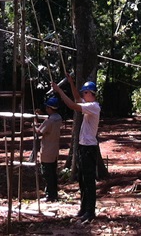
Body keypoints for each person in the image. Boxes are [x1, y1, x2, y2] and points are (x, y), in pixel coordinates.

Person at [52, 75, 100, 223]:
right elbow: (77, 99)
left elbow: (73, 105)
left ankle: (90, 212)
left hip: (89, 149)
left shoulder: (94, 107)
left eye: (85, 92)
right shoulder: (87, 105)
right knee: (82, 180)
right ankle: (84, 209)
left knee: (89, 181)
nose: (83, 95)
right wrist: (72, 83)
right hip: (83, 148)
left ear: (91, 93)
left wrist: (60, 91)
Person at [34, 96, 63, 202]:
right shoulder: (58, 118)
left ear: (50, 108)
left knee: (46, 173)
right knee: (53, 173)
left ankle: (49, 195)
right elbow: (47, 120)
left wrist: (34, 121)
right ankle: (54, 193)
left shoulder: (49, 121)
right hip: (54, 150)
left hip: (46, 150)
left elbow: (39, 131)